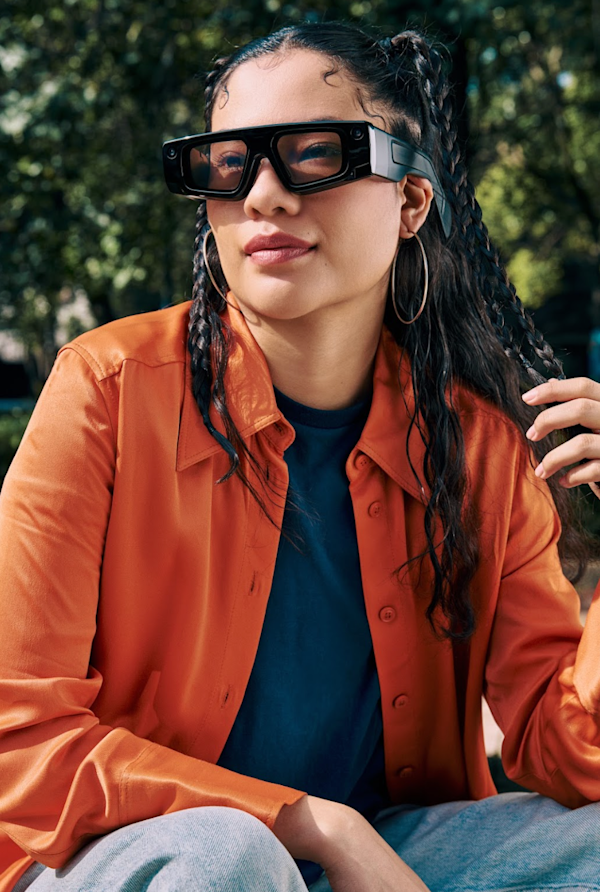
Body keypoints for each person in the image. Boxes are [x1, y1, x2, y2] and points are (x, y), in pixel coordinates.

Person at [1, 20, 600, 892]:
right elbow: (19, 738)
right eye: (227, 164)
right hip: (134, 853)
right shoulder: (107, 391)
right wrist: (312, 825)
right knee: (227, 855)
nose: (265, 196)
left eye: (317, 154)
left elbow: (570, 752)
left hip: (395, 851)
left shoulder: (481, 445)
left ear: (411, 201)